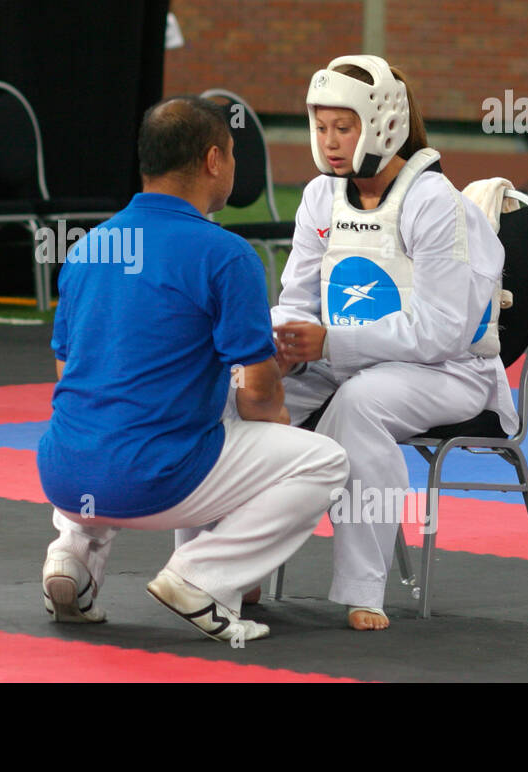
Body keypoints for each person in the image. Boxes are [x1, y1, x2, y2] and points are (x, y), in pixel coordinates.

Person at [37, 96, 348, 644]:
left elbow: (71, 373)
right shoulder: (226, 255)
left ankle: (71, 560)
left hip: (63, 471)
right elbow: (256, 393)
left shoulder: (90, 248)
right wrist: (271, 425)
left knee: (109, 415)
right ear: (212, 160)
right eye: (231, 154)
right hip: (155, 482)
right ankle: (197, 576)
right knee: (323, 461)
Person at [272, 55, 518, 631]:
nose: (331, 143)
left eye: (345, 127)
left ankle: (363, 590)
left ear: (383, 124)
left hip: (449, 372)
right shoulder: (318, 197)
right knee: (238, 391)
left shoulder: (434, 204)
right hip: (341, 360)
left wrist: (330, 342)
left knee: (363, 402)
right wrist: (276, 345)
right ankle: (223, 569)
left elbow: (441, 332)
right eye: (323, 127)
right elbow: (296, 296)